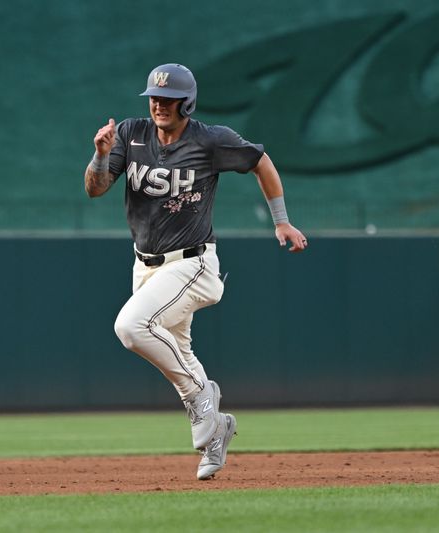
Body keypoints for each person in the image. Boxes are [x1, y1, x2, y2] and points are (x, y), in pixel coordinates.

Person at [84, 63, 308, 480]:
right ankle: (215, 436)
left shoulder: (210, 140)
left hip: (192, 262)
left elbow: (261, 161)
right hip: (145, 264)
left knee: (132, 327)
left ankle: (204, 399)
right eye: (154, 97)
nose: (158, 104)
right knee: (180, 354)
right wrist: (100, 154)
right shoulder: (132, 134)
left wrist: (281, 220)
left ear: (187, 101)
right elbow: (95, 189)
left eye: (167, 99)